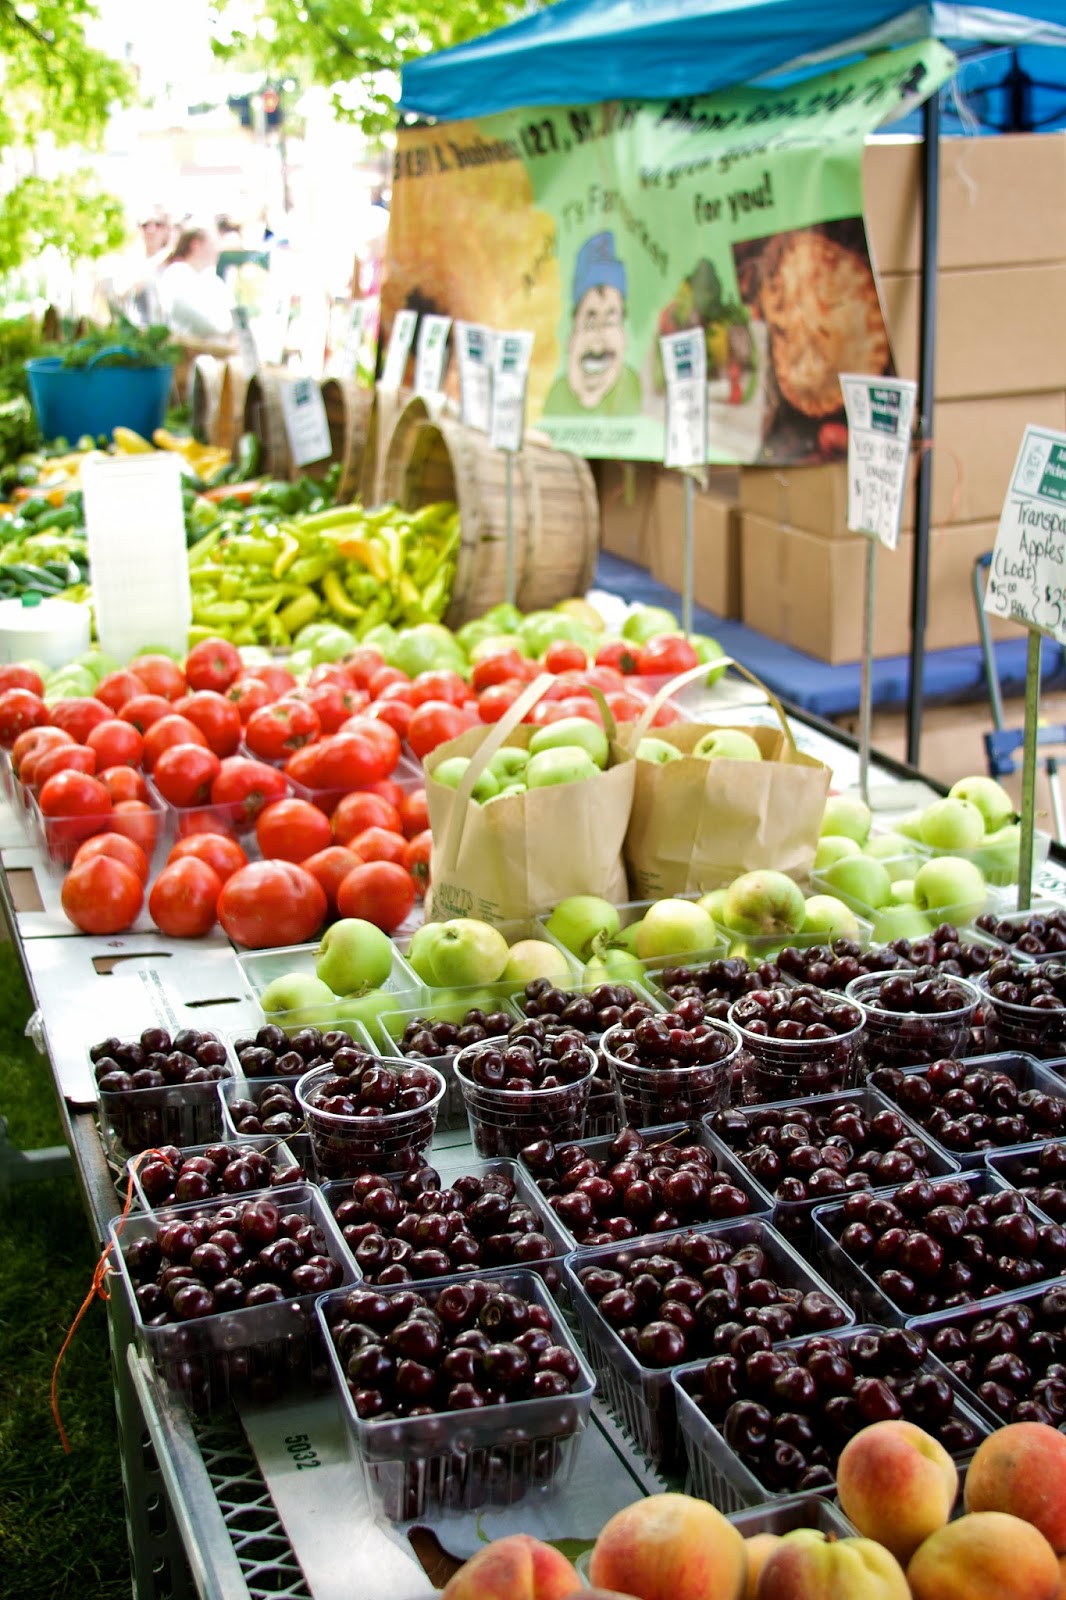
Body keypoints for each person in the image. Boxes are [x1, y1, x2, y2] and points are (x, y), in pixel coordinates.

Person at [543, 231, 643, 416]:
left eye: (610, 322)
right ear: (571, 337)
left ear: (624, 337)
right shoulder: (555, 398)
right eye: (589, 323)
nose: (598, 342)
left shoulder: (636, 391)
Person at [157, 226, 236, 342]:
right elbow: (193, 317)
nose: (217, 250)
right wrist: (226, 328)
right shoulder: (176, 274)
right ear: (196, 244)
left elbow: (234, 314)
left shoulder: (214, 281)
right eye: (213, 244)